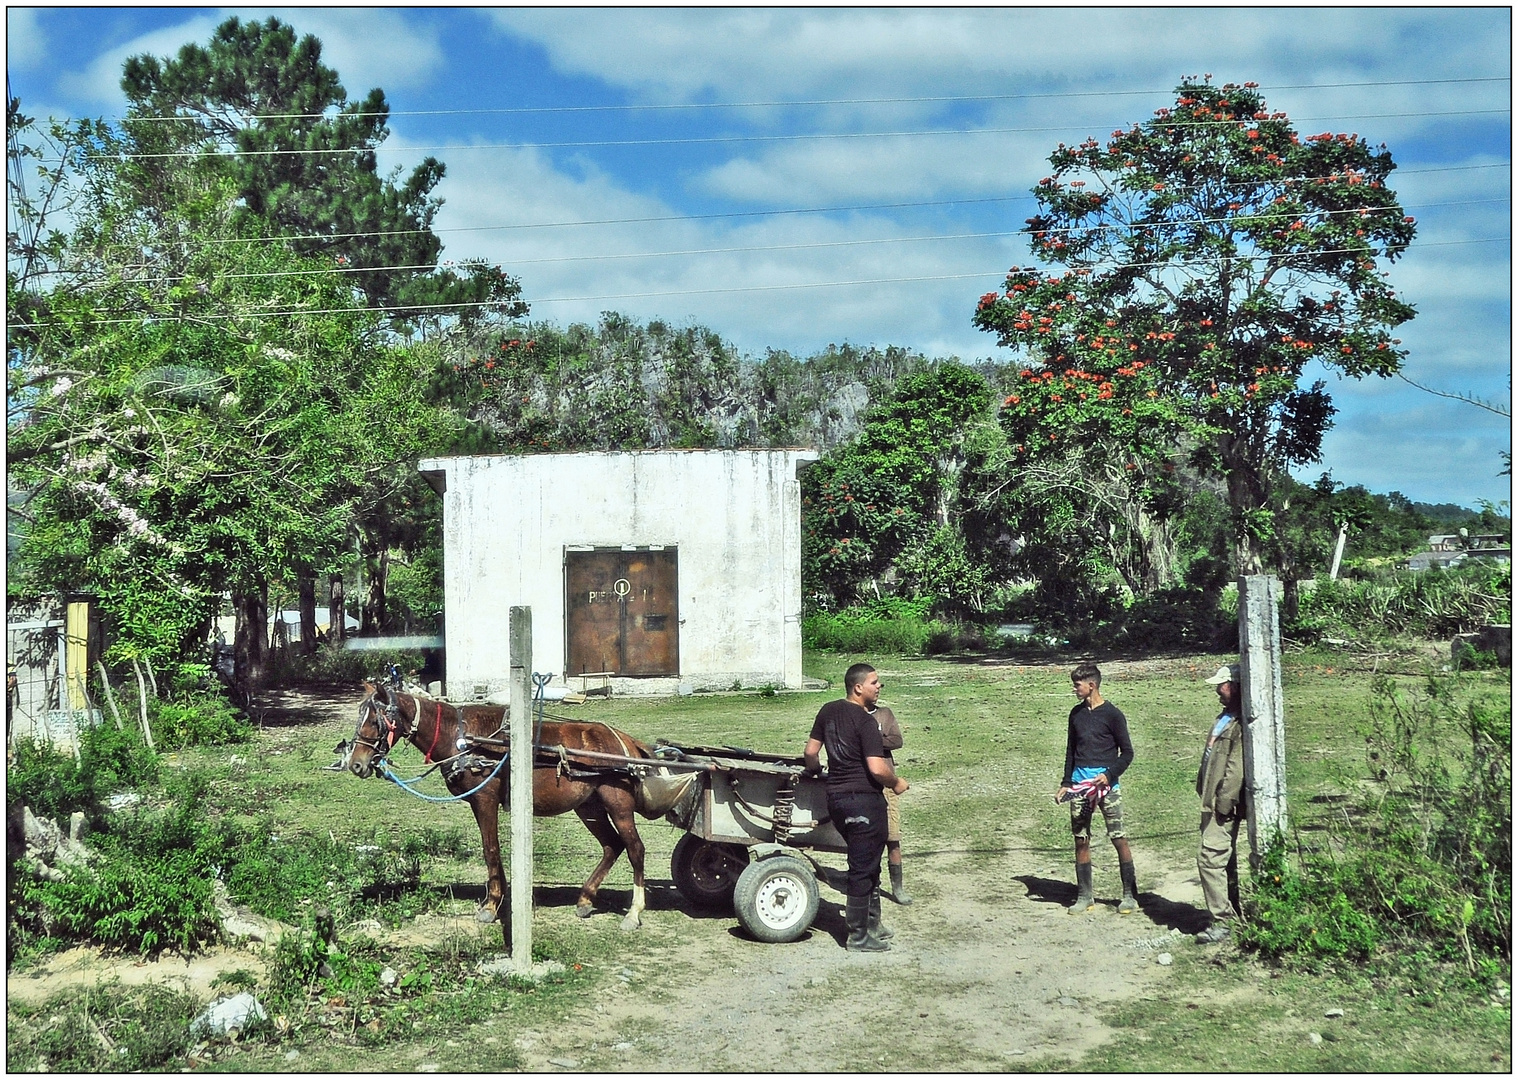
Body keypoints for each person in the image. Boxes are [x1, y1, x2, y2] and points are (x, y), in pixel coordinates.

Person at [804, 662, 910, 952]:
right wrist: (896, 782)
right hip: (864, 801)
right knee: (862, 870)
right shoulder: (867, 722)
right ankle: (858, 937)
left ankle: (874, 925)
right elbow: (877, 769)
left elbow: (810, 753)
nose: (879, 687)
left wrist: (815, 771)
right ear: (858, 687)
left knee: (867, 864)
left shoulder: (827, 711)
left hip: (836, 800)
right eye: (875, 682)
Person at [1055, 662, 1138, 915]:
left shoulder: (1113, 715)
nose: (1074, 689)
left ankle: (1130, 894)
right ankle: (1084, 895)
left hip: (1107, 786)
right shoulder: (1076, 714)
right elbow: (1071, 750)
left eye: (1077, 685)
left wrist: (1109, 774)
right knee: (1081, 839)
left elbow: (1128, 753)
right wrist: (1066, 783)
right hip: (1080, 785)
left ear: (1092, 685)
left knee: (1118, 836)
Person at [1195, 663, 1248, 945]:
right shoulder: (1225, 717)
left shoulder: (1240, 724)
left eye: (1223, 685)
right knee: (1223, 859)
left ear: (1237, 686)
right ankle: (1233, 913)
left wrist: (1224, 802)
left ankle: (1223, 921)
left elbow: (1235, 767)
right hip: (1212, 800)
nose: (1218, 690)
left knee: (1209, 858)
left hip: (1221, 804)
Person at [871, 702, 913, 905]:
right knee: (867, 841)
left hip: (887, 782)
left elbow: (896, 740)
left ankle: (897, 887)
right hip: (863, 784)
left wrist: (868, 740)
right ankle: (871, 885)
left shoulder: (884, 713)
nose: (878, 689)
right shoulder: (852, 712)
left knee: (892, 837)